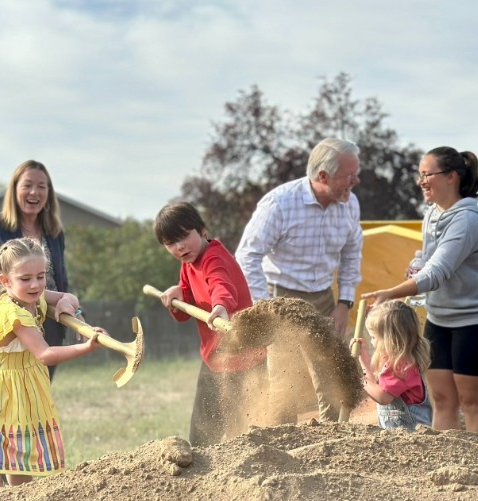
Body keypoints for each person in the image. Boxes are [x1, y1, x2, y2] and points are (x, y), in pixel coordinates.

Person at [362, 147, 478, 435]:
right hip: (441, 317)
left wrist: (390, 293)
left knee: (471, 401)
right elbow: (431, 262)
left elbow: (438, 272)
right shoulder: (432, 214)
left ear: (451, 177)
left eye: (427, 174)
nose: (421, 182)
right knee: (442, 399)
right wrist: (417, 267)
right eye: (420, 175)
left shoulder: (468, 220)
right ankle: (444, 462)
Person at [235, 137, 363, 424]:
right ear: (322, 176)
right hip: (283, 299)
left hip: (324, 298)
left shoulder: (350, 204)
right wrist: (266, 307)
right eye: (349, 175)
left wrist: (344, 303)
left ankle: (331, 444)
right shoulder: (279, 204)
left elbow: (352, 254)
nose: (355, 181)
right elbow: (247, 255)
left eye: (357, 173)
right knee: (286, 382)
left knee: (332, 374)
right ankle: (285, 450)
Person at [0, 238, 101, 486]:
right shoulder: (13, 313)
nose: (35, 285)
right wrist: (87, 346)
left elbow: (67, 295)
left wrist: (69, 305)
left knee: (22, 473)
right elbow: (45, 355)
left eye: (40, 276)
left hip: (22, 397)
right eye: (25, 279)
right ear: (5, 281)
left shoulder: (33, 297)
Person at [153, 202, 268, 445]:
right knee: (203, 431)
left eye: (184, 236)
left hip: (245, 359)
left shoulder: (213, 257)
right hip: (215, 358)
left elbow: (221, 285)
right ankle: (206, 477)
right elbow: (187, 312)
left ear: (202, 230)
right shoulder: (187, 264)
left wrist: (221, 307)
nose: (179, 246)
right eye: (170, 243)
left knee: (245, 431)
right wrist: (176, 299)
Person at [0, 160, 69, 380]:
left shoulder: (54, 232)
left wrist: (71, 309)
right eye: (27, 185)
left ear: (49, 193)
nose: (34, 192)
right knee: (8, 395)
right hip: (12, 326)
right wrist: (0, 274)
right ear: (14, 189)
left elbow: (62, 280)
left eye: (42, 186)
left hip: (49, 323)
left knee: (39, 395)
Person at [351, 300, 433, 430]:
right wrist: (363, 355)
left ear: (389, 339)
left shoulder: (402, 366)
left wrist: (361, 380)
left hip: (412, 436)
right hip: (395, 434)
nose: (372, 341)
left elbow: (382, 397)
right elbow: (374, 383)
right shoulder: (395, 360)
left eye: (373, 337)